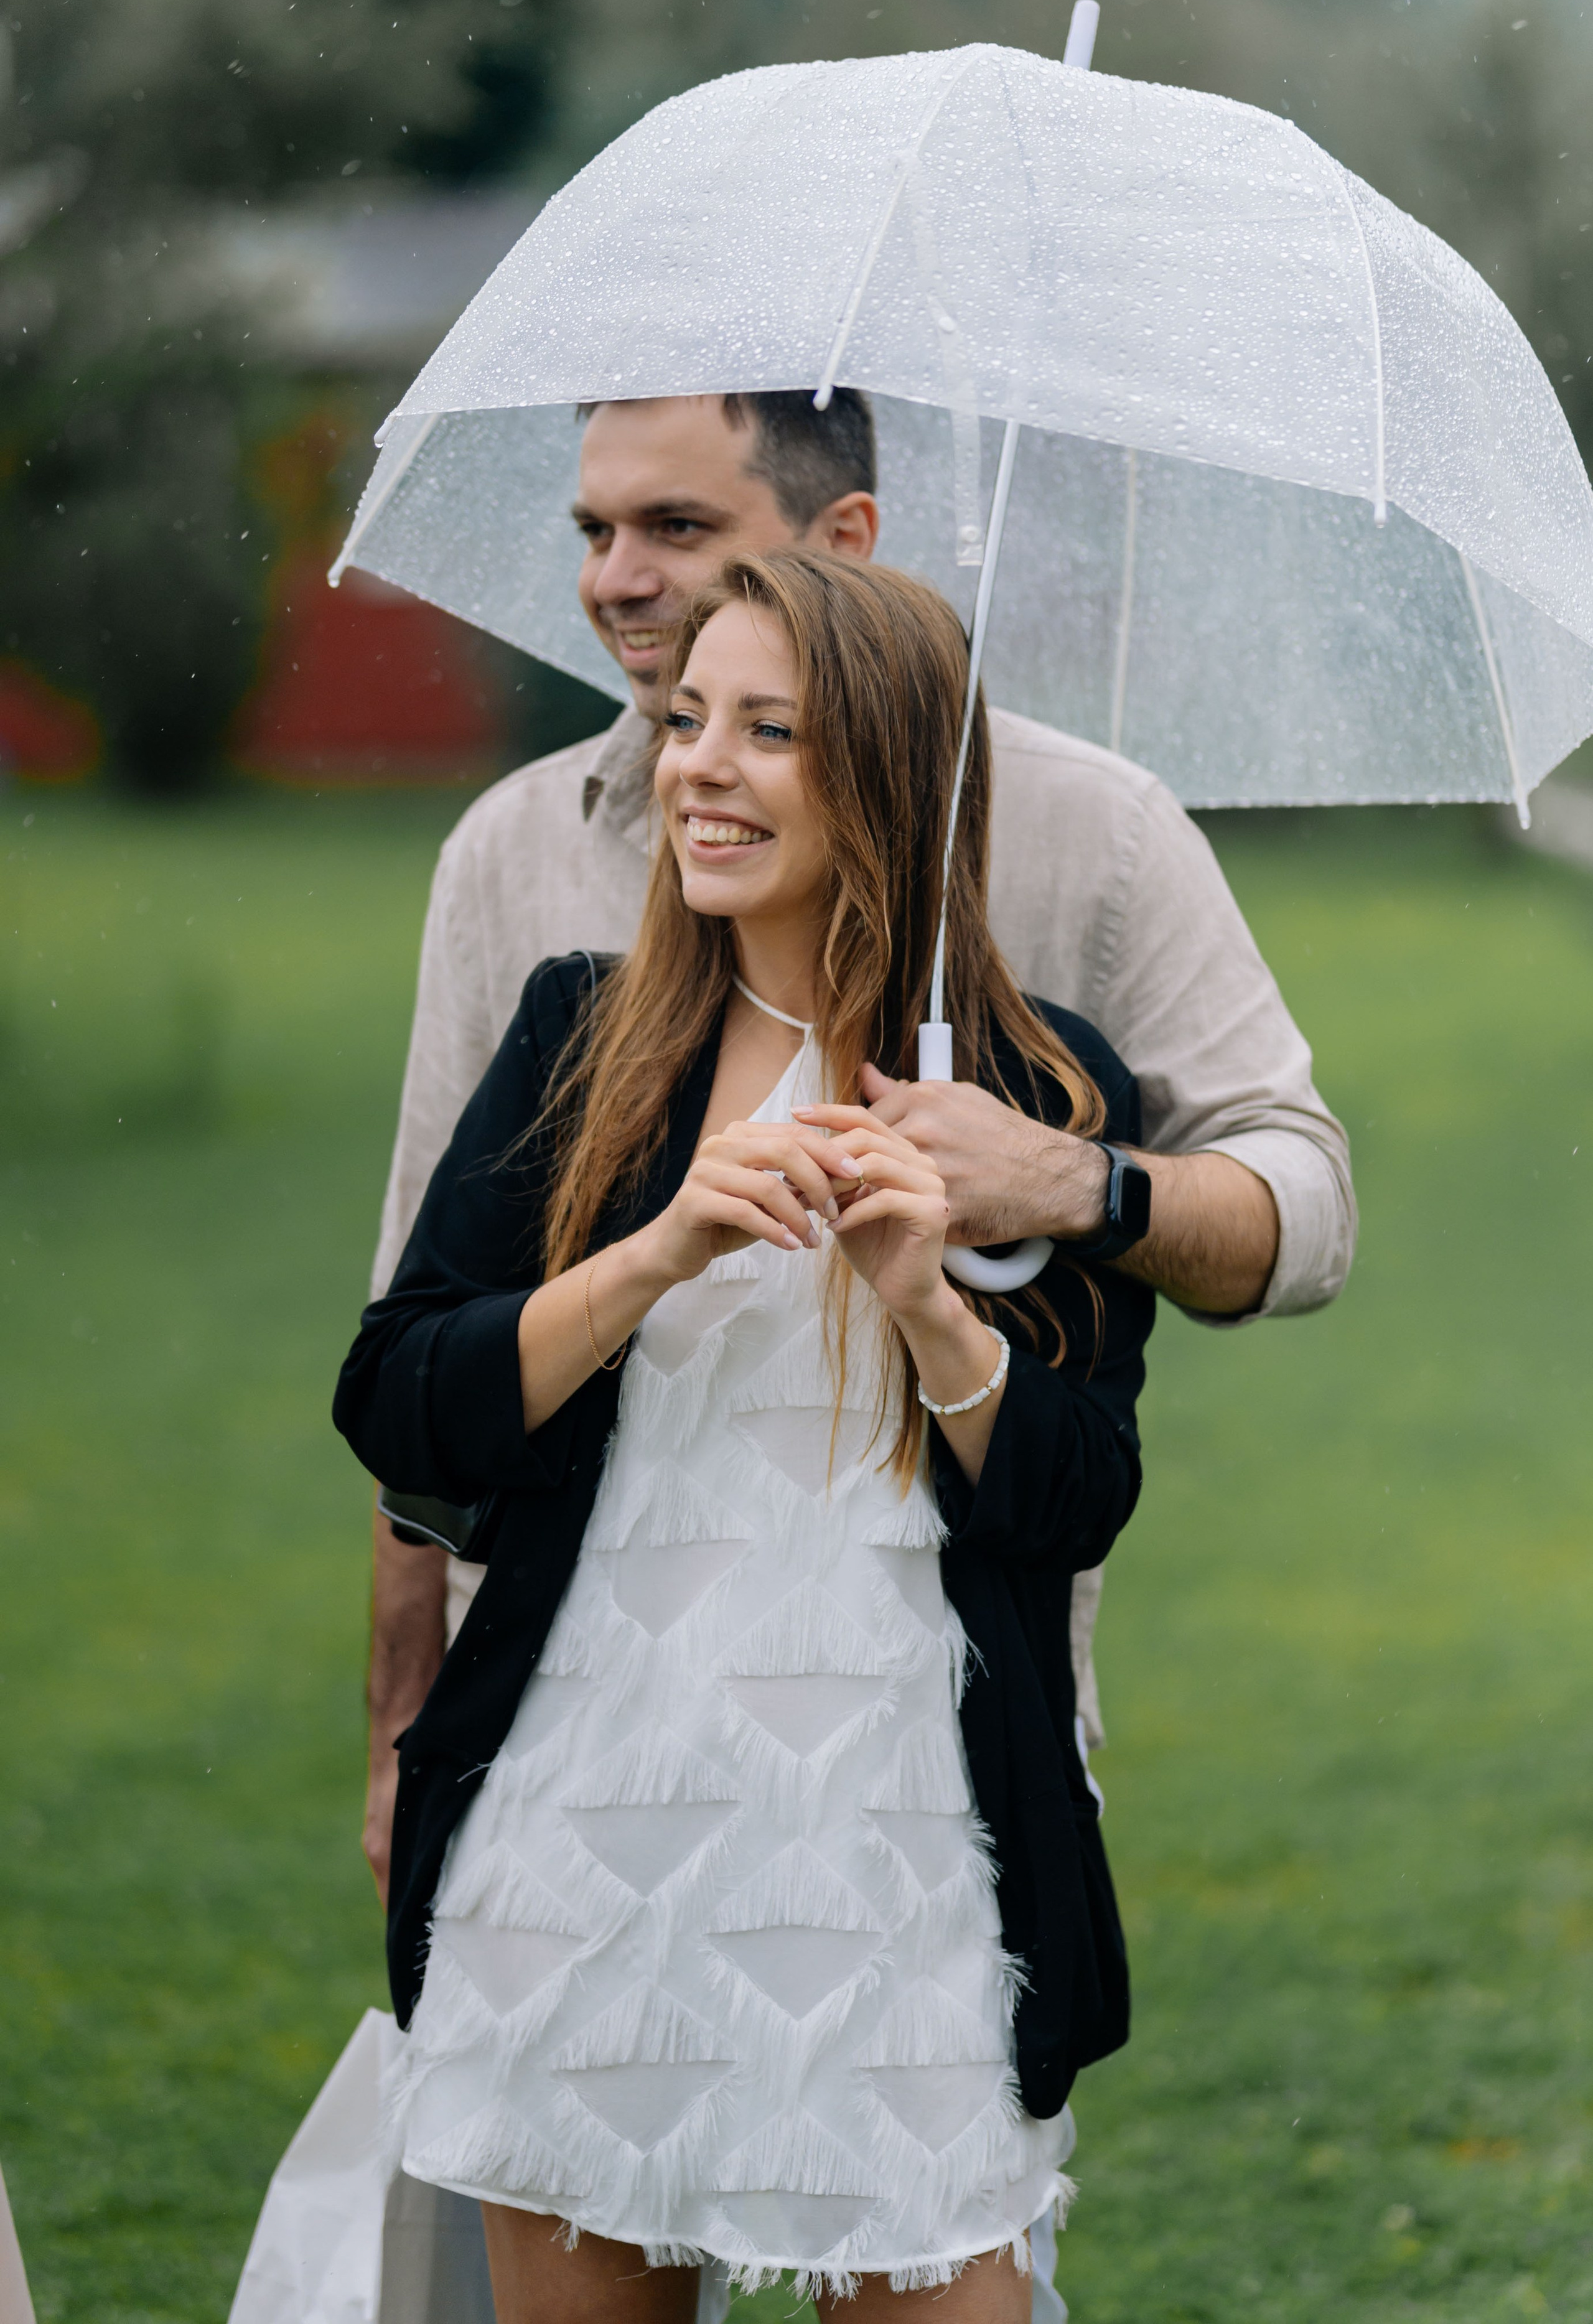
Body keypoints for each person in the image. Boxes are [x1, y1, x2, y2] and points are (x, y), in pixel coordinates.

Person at [362, 388, 1355, 1905]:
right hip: (556, 1692)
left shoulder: (1101, 833)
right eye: (594, 529)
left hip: (937, 1707)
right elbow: (416, 1332)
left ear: (848, 542)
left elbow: (1303, 1212)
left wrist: (1068, 1182)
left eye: (676, 527)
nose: (615, 576)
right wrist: (401, 1716)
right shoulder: (512, 851)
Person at [334, 549, 1157, 2322]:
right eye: (691, 716)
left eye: (768, 730)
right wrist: (658, 1247)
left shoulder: (1038, 1092)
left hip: (904, 1861)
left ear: (886, 770)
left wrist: (937, 1308)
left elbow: (1082, 1495)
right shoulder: (585, 1038)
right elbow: (398, 1393)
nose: (698, 764)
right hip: (586, 1834)